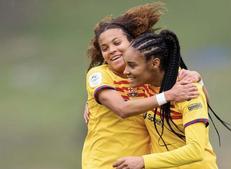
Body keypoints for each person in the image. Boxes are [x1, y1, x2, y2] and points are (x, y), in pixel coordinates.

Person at [82, 3, 203, 169]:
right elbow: (122, 108)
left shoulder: (146, 76)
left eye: (117, 43)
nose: (112, 50)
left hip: (139, 164)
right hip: (104, 164)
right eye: (105, 48)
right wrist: (167, 96)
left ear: (133, 42)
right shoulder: (98, 75)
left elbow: (196, 95)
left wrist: (197, 78)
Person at [113, 30, 218, 169]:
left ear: (155, 63)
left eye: (132, 65)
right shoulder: (142, 84)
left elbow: (195, 151)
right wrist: (92, 100)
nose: (125, 71)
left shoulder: (187, 90)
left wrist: (143, 161)